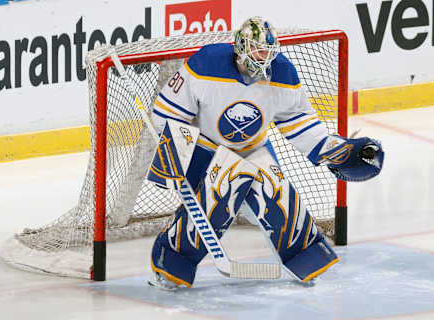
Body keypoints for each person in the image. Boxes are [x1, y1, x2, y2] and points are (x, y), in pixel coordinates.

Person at [147, 17, 384, 289]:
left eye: (269, 52)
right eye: (259, 51)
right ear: (241, 48)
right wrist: (173, 156)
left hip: (253, 149)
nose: (265, 58)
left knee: (278, 193)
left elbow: (301, 123)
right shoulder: (206, 63)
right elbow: (168, 112)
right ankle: (172, 265)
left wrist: (339, 150)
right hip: (205, 151)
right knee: (218, 197)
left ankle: (304, 257)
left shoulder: (283, 74)